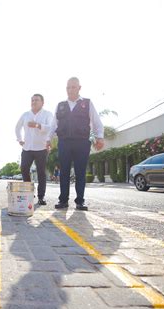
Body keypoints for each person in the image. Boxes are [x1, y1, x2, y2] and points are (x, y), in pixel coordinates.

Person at [50, 77, 104, 211]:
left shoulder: (87, 103)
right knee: (64, 173)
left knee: (80, 172)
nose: (70, 90)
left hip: (82, 142)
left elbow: (96, 122)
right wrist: (48, 139)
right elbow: (53, 124)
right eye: (68, 87)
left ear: (79, 88)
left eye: (73, 87)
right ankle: (63, 200)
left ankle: (80, 201)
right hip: (64, 142)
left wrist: (100, 137)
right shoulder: (60, 105)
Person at [15, 94, 54, 205]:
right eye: (32, 100)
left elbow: (51, 128)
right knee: (24, 169)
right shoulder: (26, 115)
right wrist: (20, 139)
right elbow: (17, 127)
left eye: (36, 100)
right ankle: (29, 192)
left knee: (41, 172)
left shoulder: (47, 114)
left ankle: (41, 197)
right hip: (27, 148)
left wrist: (38, 125)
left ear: (42, 102)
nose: (33, 102)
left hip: (41, 148)